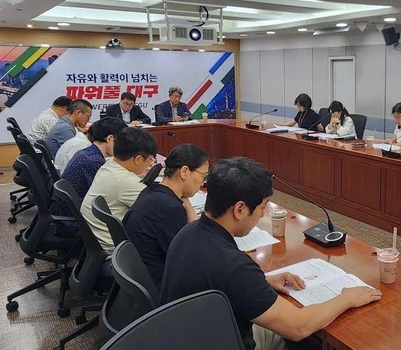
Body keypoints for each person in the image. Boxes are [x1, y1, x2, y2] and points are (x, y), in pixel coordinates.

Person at [160, 157, 381, 350]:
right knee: (305, 339)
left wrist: (263, 280)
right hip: (225, 341)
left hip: (185, 338)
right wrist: (347, 298)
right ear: (240, 209)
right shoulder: (234, 266)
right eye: (263, 207)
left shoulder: (188, 232)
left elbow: (214, 279)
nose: (262, 214)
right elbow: (298, 327)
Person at [124, 144, 207, 285]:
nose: (203, 182)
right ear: (184, 172)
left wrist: (186, 202)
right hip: (160, 283)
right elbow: (189, 257)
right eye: (203, 176)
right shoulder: (169, 208)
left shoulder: (153, 191)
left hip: (142, 276)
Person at [80, 127, 157, 252]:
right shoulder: (126, 181)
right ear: (138, 159)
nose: (150, 164)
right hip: (117, 249)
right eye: (150, 160)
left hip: (100, 242)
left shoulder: (109, 165)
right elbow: (158, 209)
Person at [54, 117, 128, 235]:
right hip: (74, 224)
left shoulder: (89, 152)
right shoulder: (93, 160)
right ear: (110, 139)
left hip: (70, 215)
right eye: (123, 142)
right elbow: (106, 196)